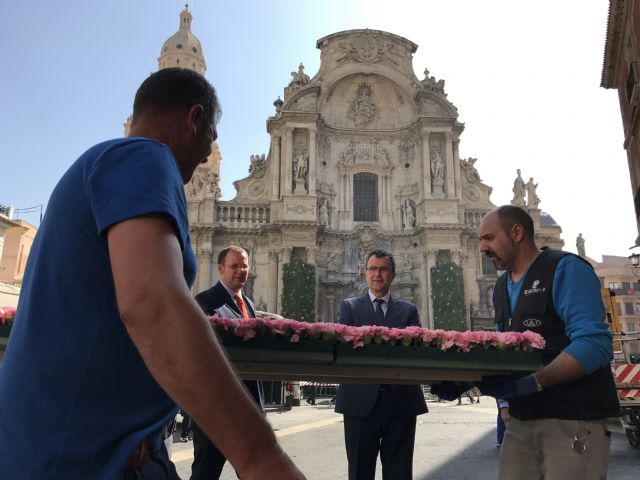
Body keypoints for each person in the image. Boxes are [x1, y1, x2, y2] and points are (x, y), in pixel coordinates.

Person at [0, 68, 303, 480]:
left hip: (92, 448)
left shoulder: (105, 164)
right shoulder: (142, 157)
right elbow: (152, 306)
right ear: (192, 119)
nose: (207, 152)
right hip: (86, 458)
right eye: (210, 135)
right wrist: (260, 458)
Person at [477, 205, 619, 479]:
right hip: (520, 423)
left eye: (489, 238)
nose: (482, 247)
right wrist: (500, 400)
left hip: (572, 420)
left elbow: (595, 344)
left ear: (517, 233)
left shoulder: (565, 269)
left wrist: (534, 382)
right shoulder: (500, 288)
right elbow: (502, 349)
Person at [334, 250, 428, 480]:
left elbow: (414, 350)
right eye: (373, 269)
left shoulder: (409, 310)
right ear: (365, 273)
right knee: (359, 472)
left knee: (400, 473)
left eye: (383, 269)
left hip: (401, 402)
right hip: (359, 401)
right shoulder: (349, 307)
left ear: (393, 275)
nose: (378, 274)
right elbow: (346, 348)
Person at [190, 245, 265, 480]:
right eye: (234, 266)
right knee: (206, 471)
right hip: (217, 409)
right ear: (220, 269)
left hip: (248, 405)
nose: (240, 271)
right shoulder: (206, 301)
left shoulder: (249, 304)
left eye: (244, 266)